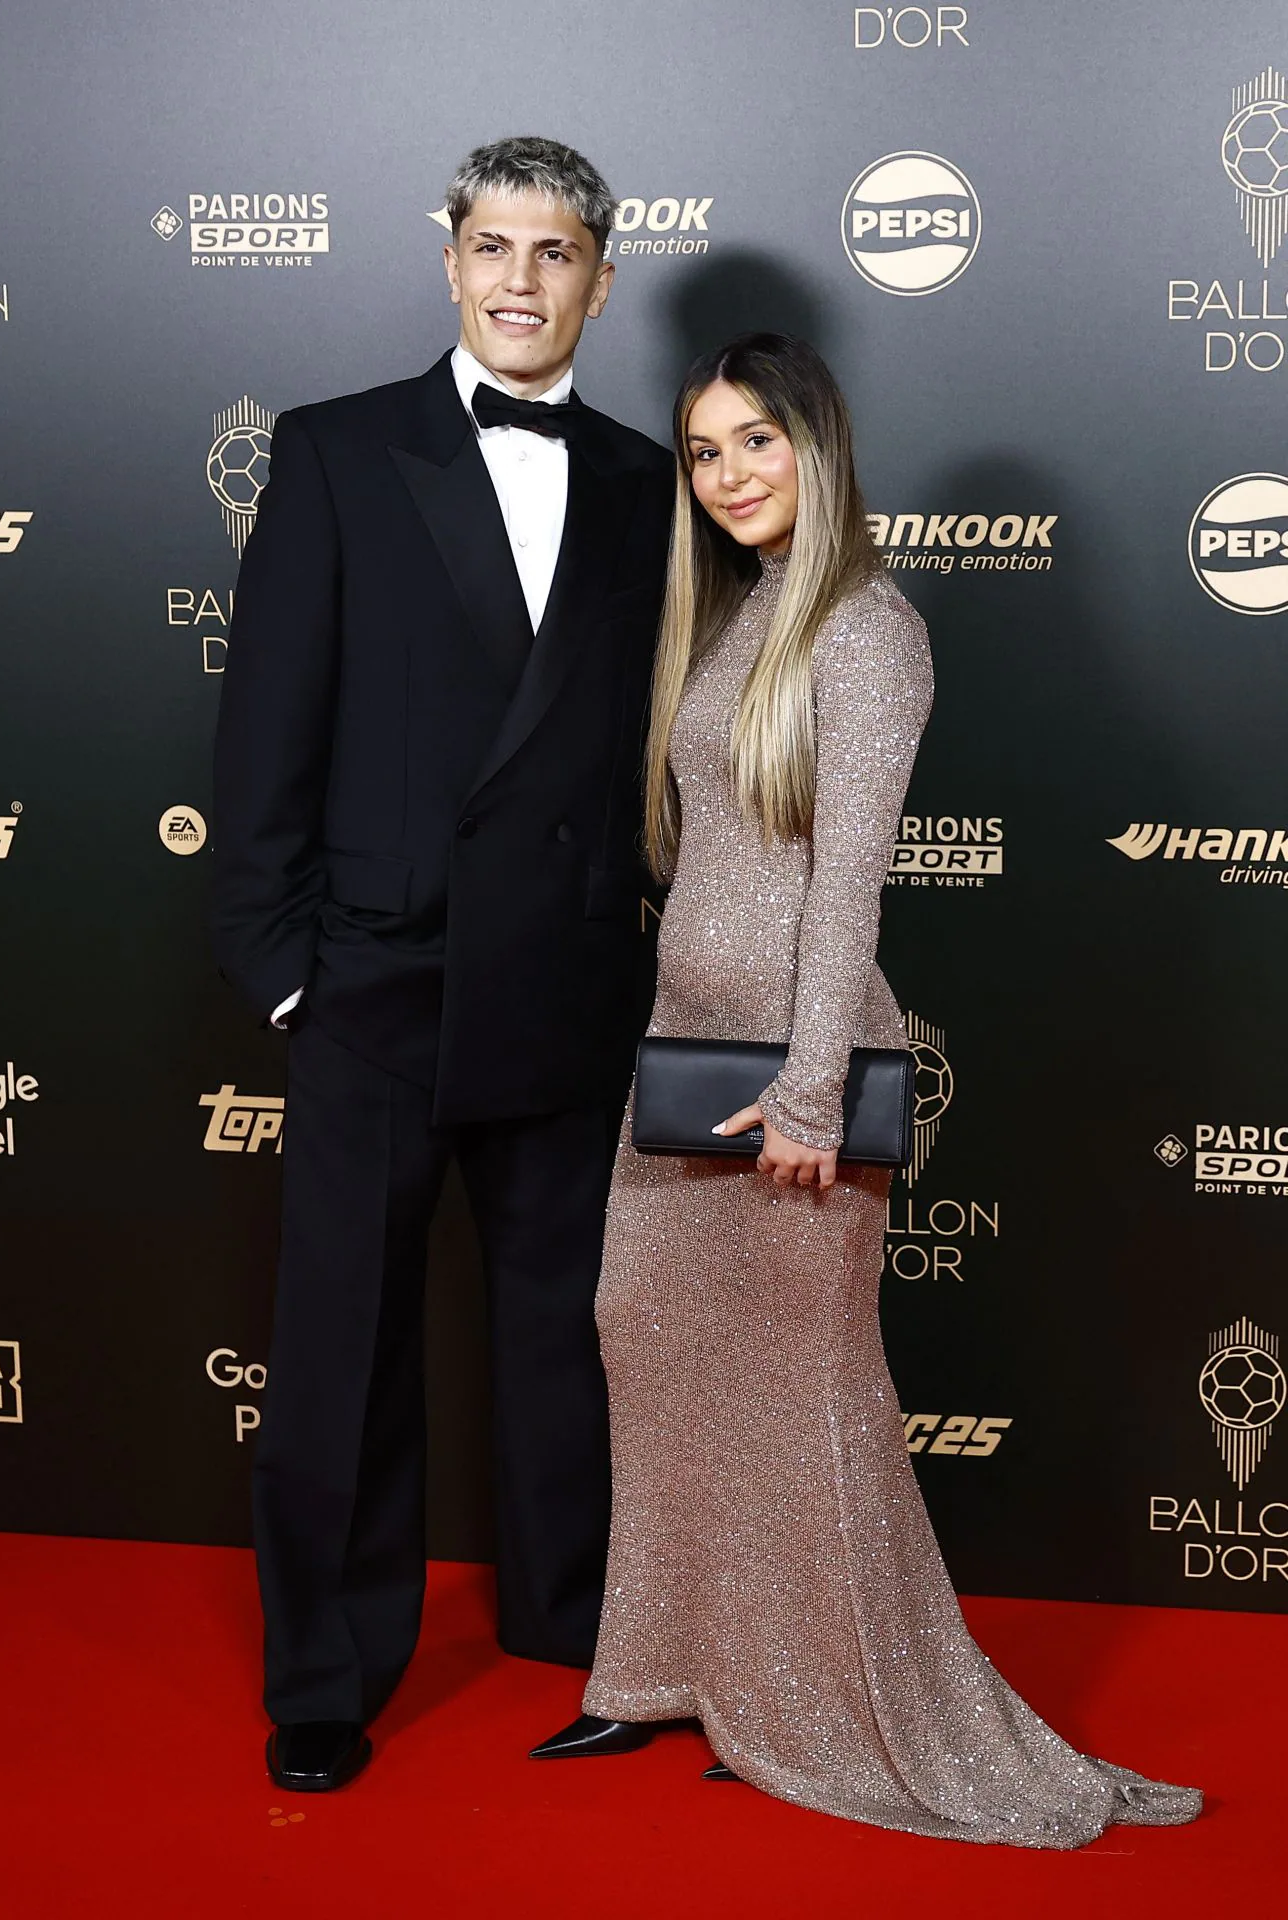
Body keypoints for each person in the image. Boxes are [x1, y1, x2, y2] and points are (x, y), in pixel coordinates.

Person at [531, 333, 1201, 1847]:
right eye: (705, 452)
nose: (729, 475)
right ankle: (664, 1666)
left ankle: (818, 1696)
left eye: (756, 441)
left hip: (795, 1064)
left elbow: (850, 889)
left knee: (807, 1390)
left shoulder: (867, 630)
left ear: (818, 447)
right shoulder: (733, 616)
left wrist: (817, 1092)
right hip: (684, 1056)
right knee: (644, 1340)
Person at [211, 136, 672, 1793]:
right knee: (342, 1345)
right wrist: (285, 972)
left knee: (568, 1338)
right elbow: (262, 728)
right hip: (376, 985)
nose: (520, 280)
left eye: (555, 255)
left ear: (600, 279)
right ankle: (325, 1674)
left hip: (563, 983)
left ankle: (577, 1626)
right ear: (451, 258)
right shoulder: (338, 453)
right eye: (493, 246)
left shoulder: (640, 479)